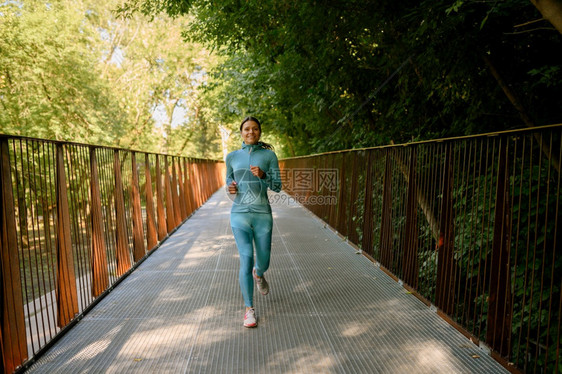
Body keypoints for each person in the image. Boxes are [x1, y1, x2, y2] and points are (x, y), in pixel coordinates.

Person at [226, 116, 282, 328]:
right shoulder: (232, 156)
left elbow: (277, 186)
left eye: (255, 129)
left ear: (260, 132)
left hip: (262, 214)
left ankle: (259, 274)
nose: (251, 132)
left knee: (264, 260)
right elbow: (228, 182)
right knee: (246, 258)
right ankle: (249, 310)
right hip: (239, 213)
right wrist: (231, 187)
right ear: (241, 132)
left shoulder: (269, 156)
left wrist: (264, 174)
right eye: (247, 129)